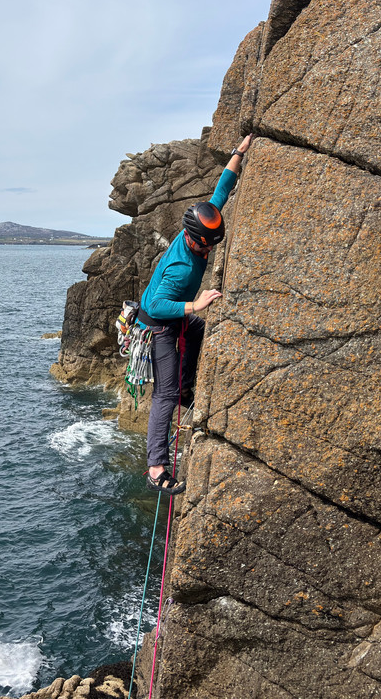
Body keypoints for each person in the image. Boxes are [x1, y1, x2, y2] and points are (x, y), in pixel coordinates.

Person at [138, 133, 254, 494]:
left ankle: (187, 386)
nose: (208, 250)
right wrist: (194, 304)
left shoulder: (201, 225)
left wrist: (238, 153)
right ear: (191, 238)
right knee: (165, 394)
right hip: (158, 324)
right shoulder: (181, 268)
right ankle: (156, 468)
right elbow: (156, 305)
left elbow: (221, 192)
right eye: (205, 244)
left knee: (200, 330)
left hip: (174, 316)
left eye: (212, 243)